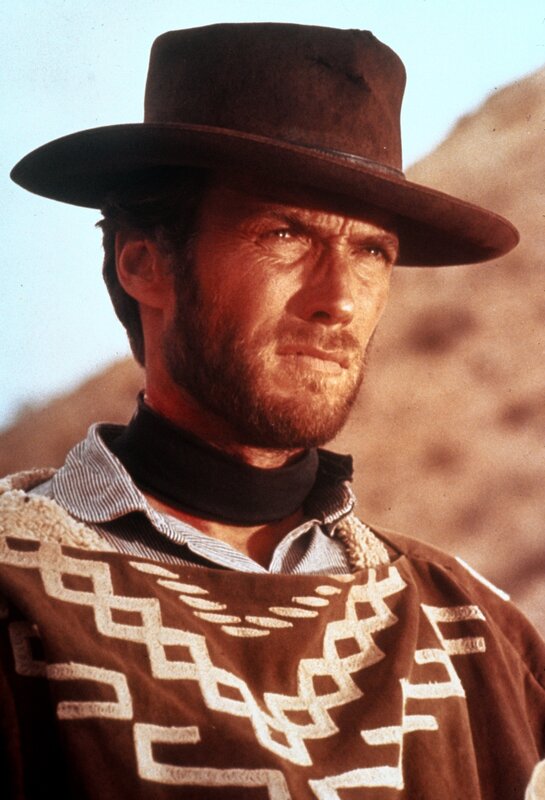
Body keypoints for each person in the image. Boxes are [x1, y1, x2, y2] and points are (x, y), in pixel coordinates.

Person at [1, 22, 543, 800]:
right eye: (284, 234)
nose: (339, 300)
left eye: (371, 252)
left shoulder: (476, 634)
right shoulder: (16, 597)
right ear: (144, 263)